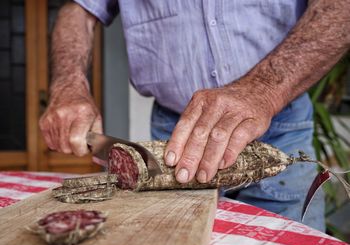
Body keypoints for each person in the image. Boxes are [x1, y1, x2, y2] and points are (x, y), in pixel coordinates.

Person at [39, 0, 350, 232]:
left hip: (280, 126)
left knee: (290, 244)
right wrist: (68, 82)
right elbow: (78, 8)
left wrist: (263, 90)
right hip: (173, 135)